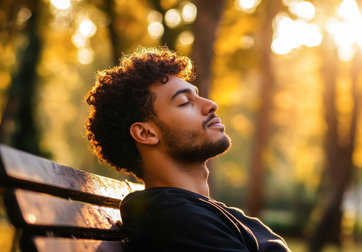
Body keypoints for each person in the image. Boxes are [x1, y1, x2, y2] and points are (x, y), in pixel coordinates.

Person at [85, 47, 291, 251]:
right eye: (184, 102)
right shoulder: (177, 220)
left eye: (198, 96)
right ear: (146, 134)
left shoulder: (197, 212)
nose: (210, 104)